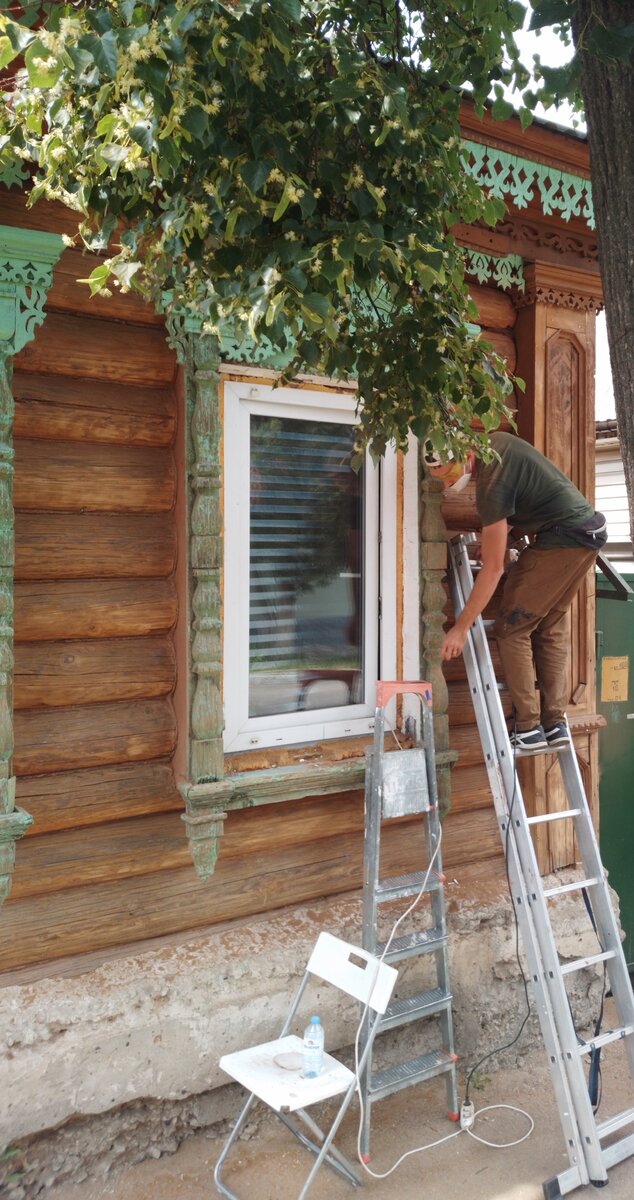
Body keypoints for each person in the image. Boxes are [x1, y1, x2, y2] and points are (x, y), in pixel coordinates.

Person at [426, 431, 607, 753]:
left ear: (466, 455)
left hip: (562, 540)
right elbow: (528, 494)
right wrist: (501, 537)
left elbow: (494, 569)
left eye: (450, 474)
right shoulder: (497, 443)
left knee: (512, 628)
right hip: (584, 534)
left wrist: (461, 627)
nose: (449, 483)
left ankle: (528, 729)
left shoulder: (491, 485)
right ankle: (554, 722)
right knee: (549, 627)